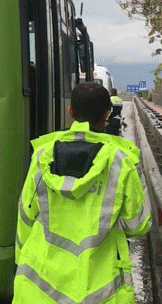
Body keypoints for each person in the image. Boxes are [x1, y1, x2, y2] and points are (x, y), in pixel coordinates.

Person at [14, 82, 151, 303]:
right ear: (107, 115)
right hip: (100, 291)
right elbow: (138, 225)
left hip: (40, 287)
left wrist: (21, 260)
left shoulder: (43, 155)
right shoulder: (122, 161)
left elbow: (25, 216)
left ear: (70, 112)